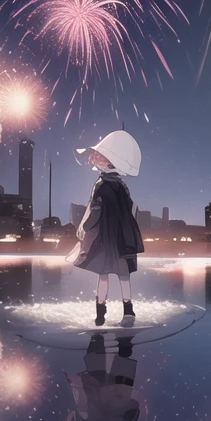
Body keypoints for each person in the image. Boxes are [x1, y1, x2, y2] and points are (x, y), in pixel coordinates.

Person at [70, 130, 144, 327]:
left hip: (104, 237)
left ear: (108, 162)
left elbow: (95, 210)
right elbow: (132, 209)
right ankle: (128, 311)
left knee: (103, 274)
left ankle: (100, 313)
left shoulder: (101, 185)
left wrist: (84, 227)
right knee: (123, 275)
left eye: (99, 157)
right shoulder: (122, 186)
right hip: (123, 237)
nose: (95, 160)